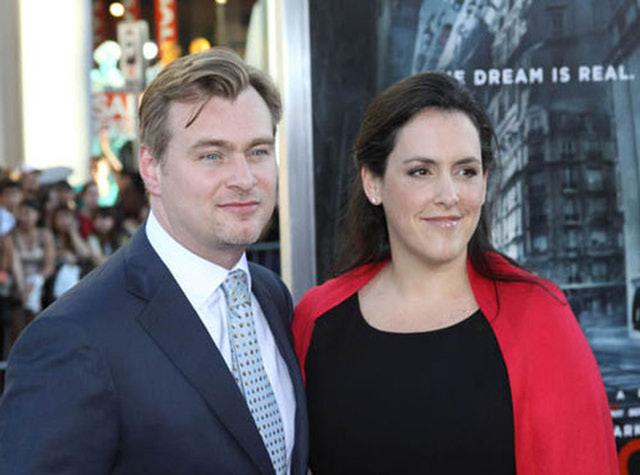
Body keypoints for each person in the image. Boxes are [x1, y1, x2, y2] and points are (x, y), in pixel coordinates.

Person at [0, 47, 308, 474]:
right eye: (212, 155)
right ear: (150, 167)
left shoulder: (270, 296)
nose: (244, 178)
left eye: (257, 151)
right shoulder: (73, 337)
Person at [292, 72, 617, 474]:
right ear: (373, 183)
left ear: (485, 182)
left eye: (465, 171)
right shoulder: (318, 320)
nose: (449, 196)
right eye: (421, 171)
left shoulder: (539, 316)